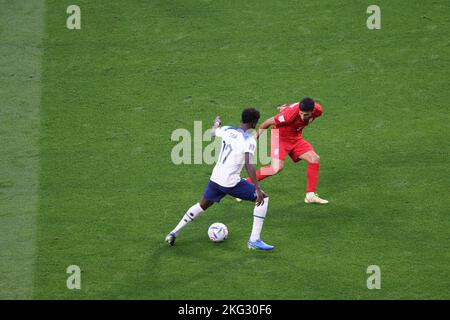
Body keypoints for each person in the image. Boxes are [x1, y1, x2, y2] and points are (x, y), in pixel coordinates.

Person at [165, 108, 274, 250]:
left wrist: (216, 124)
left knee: (201, 205)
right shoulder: (249, 140)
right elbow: (249, 164)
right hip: (230, 182)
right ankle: (254, 240)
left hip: (215, 178)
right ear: (254, 123)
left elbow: (213, 132)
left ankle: (173, 233)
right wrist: (257, 188)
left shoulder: (227, 130)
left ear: (241, 119)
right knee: (263, 199)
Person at [246, 97, 329, 204]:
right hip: (279, 138)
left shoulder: (318, 110)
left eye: (306, 115)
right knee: (276, 168)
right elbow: (267, 123)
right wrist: (254, 139)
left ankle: (310, 196)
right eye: (301, 113)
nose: (303, 117)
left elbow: (296, 105)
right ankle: (246, 182)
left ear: (312, 111)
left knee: (314, 159)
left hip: (295, 138)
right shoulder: (289, 116)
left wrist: (286, 108)